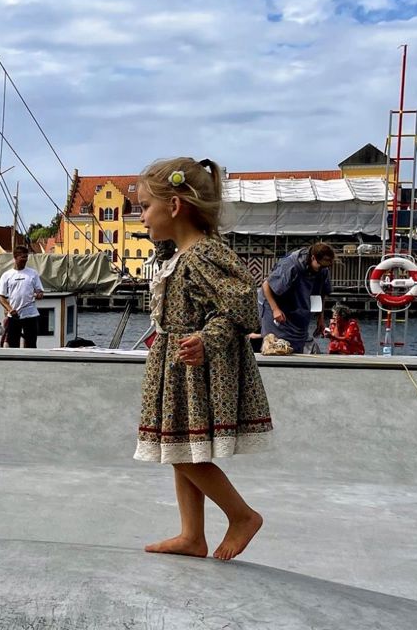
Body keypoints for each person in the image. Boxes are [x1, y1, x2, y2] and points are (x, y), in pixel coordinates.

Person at [135, 157, 273, 562]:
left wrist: (206, 340)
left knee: (179, 450)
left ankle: (241, 515)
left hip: (193, 369)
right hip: (173, 365)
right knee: (181, 451)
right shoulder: (176, 255)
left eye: (145, 207)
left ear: (174, 207)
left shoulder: (203, 255)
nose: (141, 218)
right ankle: (192, 535)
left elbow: (240, 306)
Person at [258, 242, 335, 354]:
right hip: (276, 307)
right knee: (276, 346)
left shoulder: (323, 270)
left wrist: (320, 318)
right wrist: (275, 310)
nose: (323, 269)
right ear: (313, 258)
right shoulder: (291, 265)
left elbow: (321, 293)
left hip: (298, 308)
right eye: (321, 266)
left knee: (297, 344)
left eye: (326, 266)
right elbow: (266, 285)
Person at [0, 245, 45, 348]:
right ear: (15, 257)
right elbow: (1, 297)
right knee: (13, 344)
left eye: (26, 258)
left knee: (31, 344)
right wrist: (10, 309)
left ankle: (30, 362)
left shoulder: (33, 273)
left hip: (30, 315)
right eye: (22, 258)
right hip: (14, 316)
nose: (25, 260)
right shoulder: (7, 275)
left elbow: (40, 291)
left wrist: (39, 295)